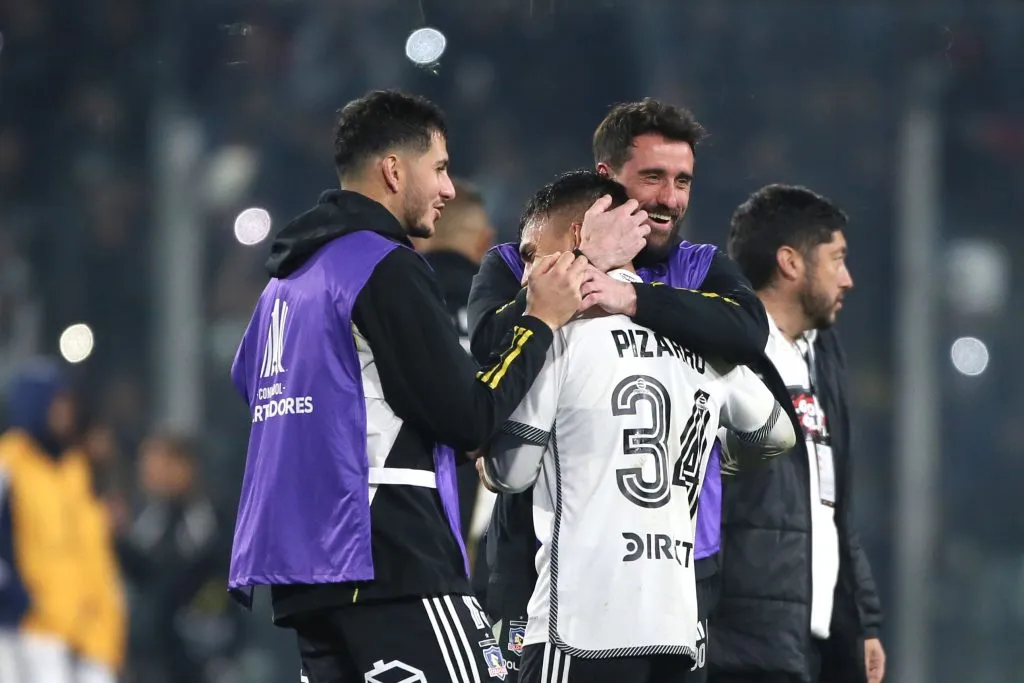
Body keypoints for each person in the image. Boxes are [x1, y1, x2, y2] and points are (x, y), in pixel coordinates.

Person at [227, 89, 587, 683]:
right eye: (440, 168)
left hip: (302, 574)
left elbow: (251, 384)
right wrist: (541, 320)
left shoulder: (283, 285)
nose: (448, 188)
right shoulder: (381, 265)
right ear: (394, 170)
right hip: (387, 554)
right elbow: (468, 416)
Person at [468, 98, 781, 683]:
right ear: (606, 183)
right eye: (653, 178)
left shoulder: (698, 267)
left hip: (682, 566)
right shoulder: (518, 262)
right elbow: (490, 344)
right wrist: (583, 267)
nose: (669, 198)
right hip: (540, 557)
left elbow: (749, 331)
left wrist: (631, 299)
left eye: (682, 180)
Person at [710, 184, 884, 683]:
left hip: (810, 640)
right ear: (790, 262)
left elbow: (834, 506)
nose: (848, 279)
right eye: (837, 259)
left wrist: (862, 621)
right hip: (741, 643)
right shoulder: (726, 349)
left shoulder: (822, 356)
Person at [411, 179, 498, 594]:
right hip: (490, 503)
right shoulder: (507, 313)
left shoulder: (395, 302)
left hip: (407, 512)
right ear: (485, 241)